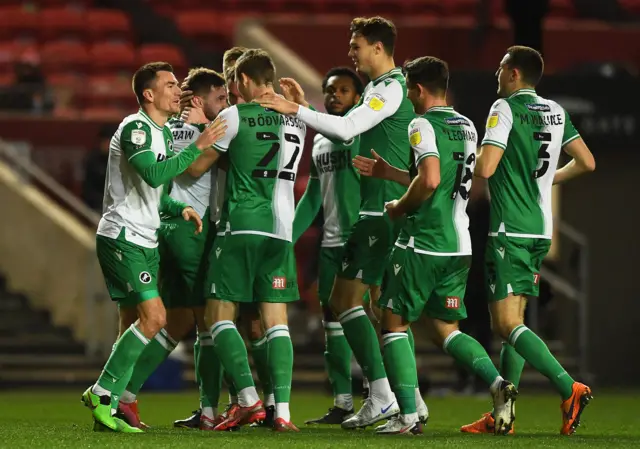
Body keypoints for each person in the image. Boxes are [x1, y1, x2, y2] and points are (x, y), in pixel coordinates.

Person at [257, 16, 421, 429]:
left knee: (349, 302)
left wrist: (295, 109)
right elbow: (346, 133)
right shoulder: (379, 91)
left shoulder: (389, 88)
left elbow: (348, 127)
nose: (352, 52)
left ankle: (384, 395)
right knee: (377, 311)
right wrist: (309, 109)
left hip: (381, 211)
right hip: (381, 209)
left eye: (358, 45)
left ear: (379, 48)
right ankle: (408, 402)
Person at [353, 56, 517, 435]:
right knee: (446, 329)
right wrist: (391, 173)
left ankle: (408, 415)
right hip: (459, 243)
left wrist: (398, 206)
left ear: (419, 89)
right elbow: (441, 176)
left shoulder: (420, 123)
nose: (408, 97)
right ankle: (497, 384)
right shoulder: (467, 126)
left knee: (391, 321)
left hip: (423, 241)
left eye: (410, 89)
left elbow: (428, 181)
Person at [80, 62, 226, 433]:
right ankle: (102, 392)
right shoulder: (135, 128)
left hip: (145, 238)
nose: (179, 90)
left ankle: (111, 407)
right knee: (157, 318)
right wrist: (199, 145)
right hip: (123, 237)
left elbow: (156, 194)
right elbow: (156, 174)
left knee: (133, 324)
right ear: (149, 94)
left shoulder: (159, 133)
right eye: (171, 84)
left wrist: (181, 207)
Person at [460, 46, 595, 436]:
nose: (496, 73)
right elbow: (587, 161)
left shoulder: (503, 108)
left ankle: (569, 387)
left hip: (510, 229)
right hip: (539, 228)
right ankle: (503, 416)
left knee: (504, 324)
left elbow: (486, 167)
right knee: (515, 322)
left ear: (514, 73)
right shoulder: (555, 111)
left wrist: (471, 154)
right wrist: (548, 178)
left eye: (501, 66)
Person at [183, 49, 305, 432]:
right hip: (282, 230)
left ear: (245, 82)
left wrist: (199, 134)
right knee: (276, 321)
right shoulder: (296, 120)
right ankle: (281, 411)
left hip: (242, 224)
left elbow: (195, 166)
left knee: (218, 315)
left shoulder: (234, 115)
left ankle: (248, 400)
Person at [291, 67, 364, 425]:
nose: (335, 95)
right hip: (332, 242)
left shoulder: (362, 133)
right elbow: (312, 200)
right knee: (332, 322)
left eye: (344, 90)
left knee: (381, 321)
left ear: (358, 98)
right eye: (330, 90)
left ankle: (391, 397)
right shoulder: (320, 140)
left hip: (364, 240)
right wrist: (287, 236)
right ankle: (343, 401)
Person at [82, 124, 116, 212]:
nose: (107, 145)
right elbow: (88, 191)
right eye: (105, 141)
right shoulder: (93, 161)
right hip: (98, 207)